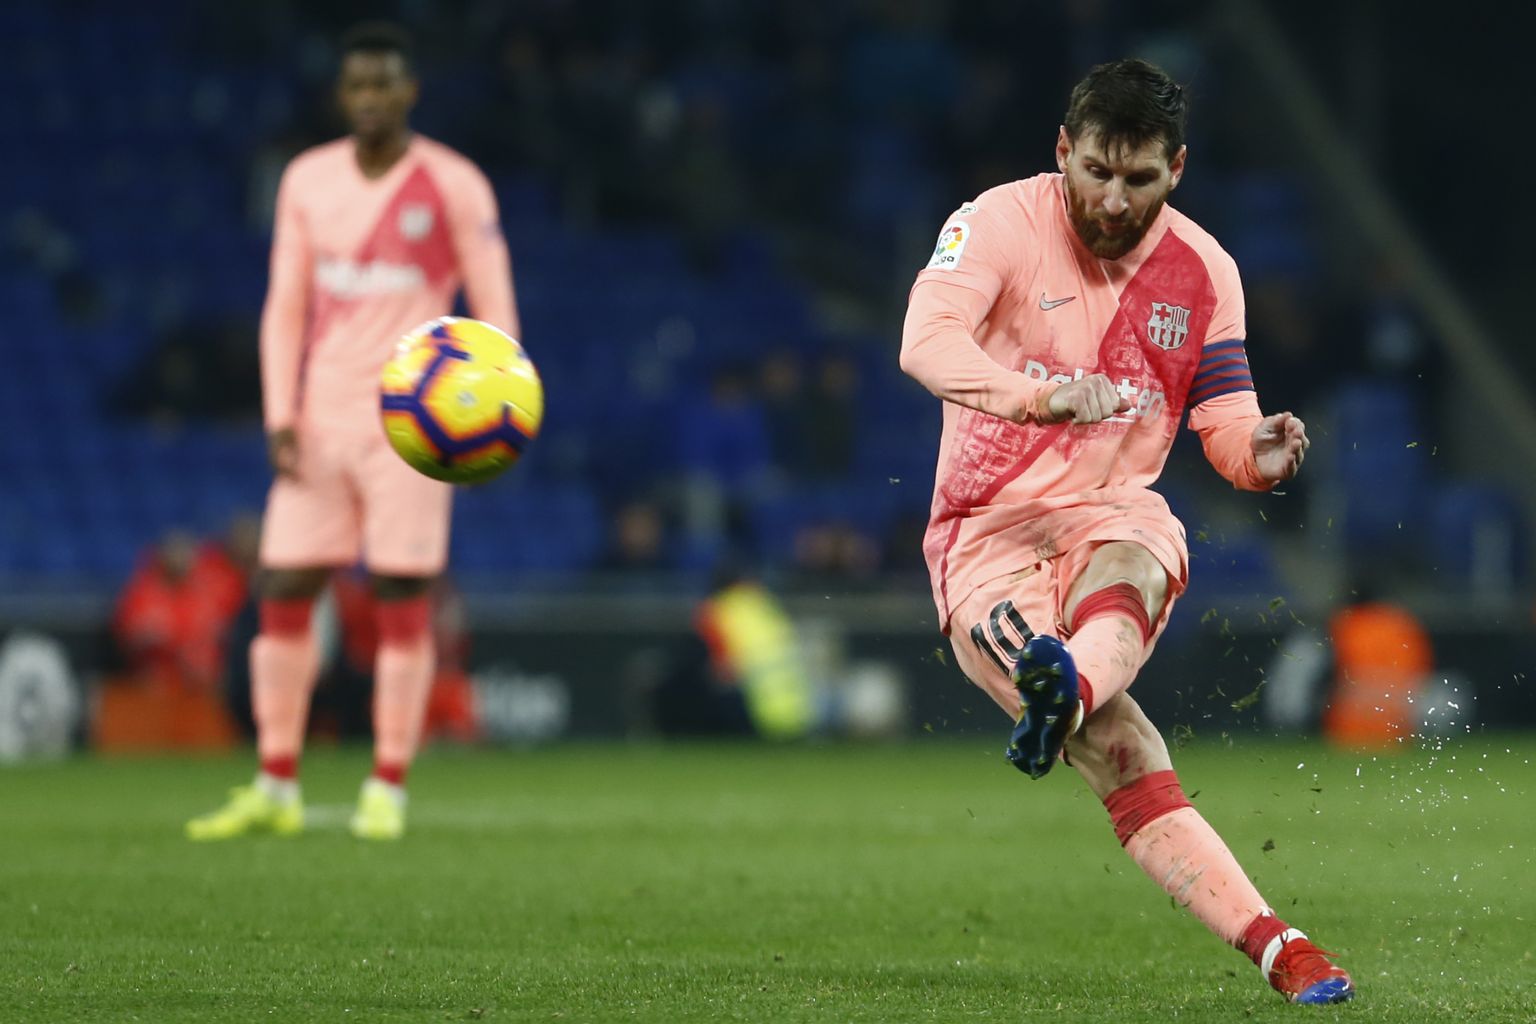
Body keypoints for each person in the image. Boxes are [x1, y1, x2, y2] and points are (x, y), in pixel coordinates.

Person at [899, 59, 1353, 1005]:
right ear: (1063, 150)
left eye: (1139, 178)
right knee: (1123, 749)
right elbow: (925, 342)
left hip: (1108, 509)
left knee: (1144, 545)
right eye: (1097, 171)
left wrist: (1261, 452)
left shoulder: (1205, 272)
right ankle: (1273, 939)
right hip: (986, 538)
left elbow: (1226, 425)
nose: (1113, 199)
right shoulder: (995, 223)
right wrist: (1041, 398)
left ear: (1176, 168)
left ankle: (1069, 688)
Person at [187, 22, 519, 842]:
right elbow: (285, 305)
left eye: (384, 84)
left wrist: (494, 418)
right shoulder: (307, 179)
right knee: (283, 587)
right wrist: (280, 412)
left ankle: (388, 785)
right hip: (321, 417)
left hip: (413, 423)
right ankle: (275, 781)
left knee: (401, 594)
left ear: (410, 91)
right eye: (357, 85)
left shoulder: (454, 183)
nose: (370, 98)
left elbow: (495, 312)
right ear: (342, 96)